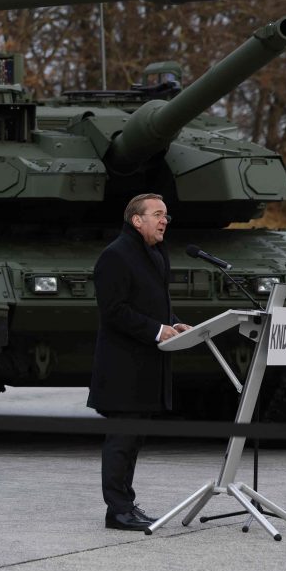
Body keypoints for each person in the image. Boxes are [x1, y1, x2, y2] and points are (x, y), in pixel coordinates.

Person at [88, 193, 191, 531]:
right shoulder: (116, 255)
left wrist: (173, 323)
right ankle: (117, 511)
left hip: (146, 364)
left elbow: (152, 302)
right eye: (158, 214)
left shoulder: (155, 253)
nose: (164, 221)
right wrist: (157, 330)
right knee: (121, 441)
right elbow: (114, 310)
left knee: (133, 440)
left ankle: (126, 505)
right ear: (137, 220)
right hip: (122, 367)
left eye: (166, 216)